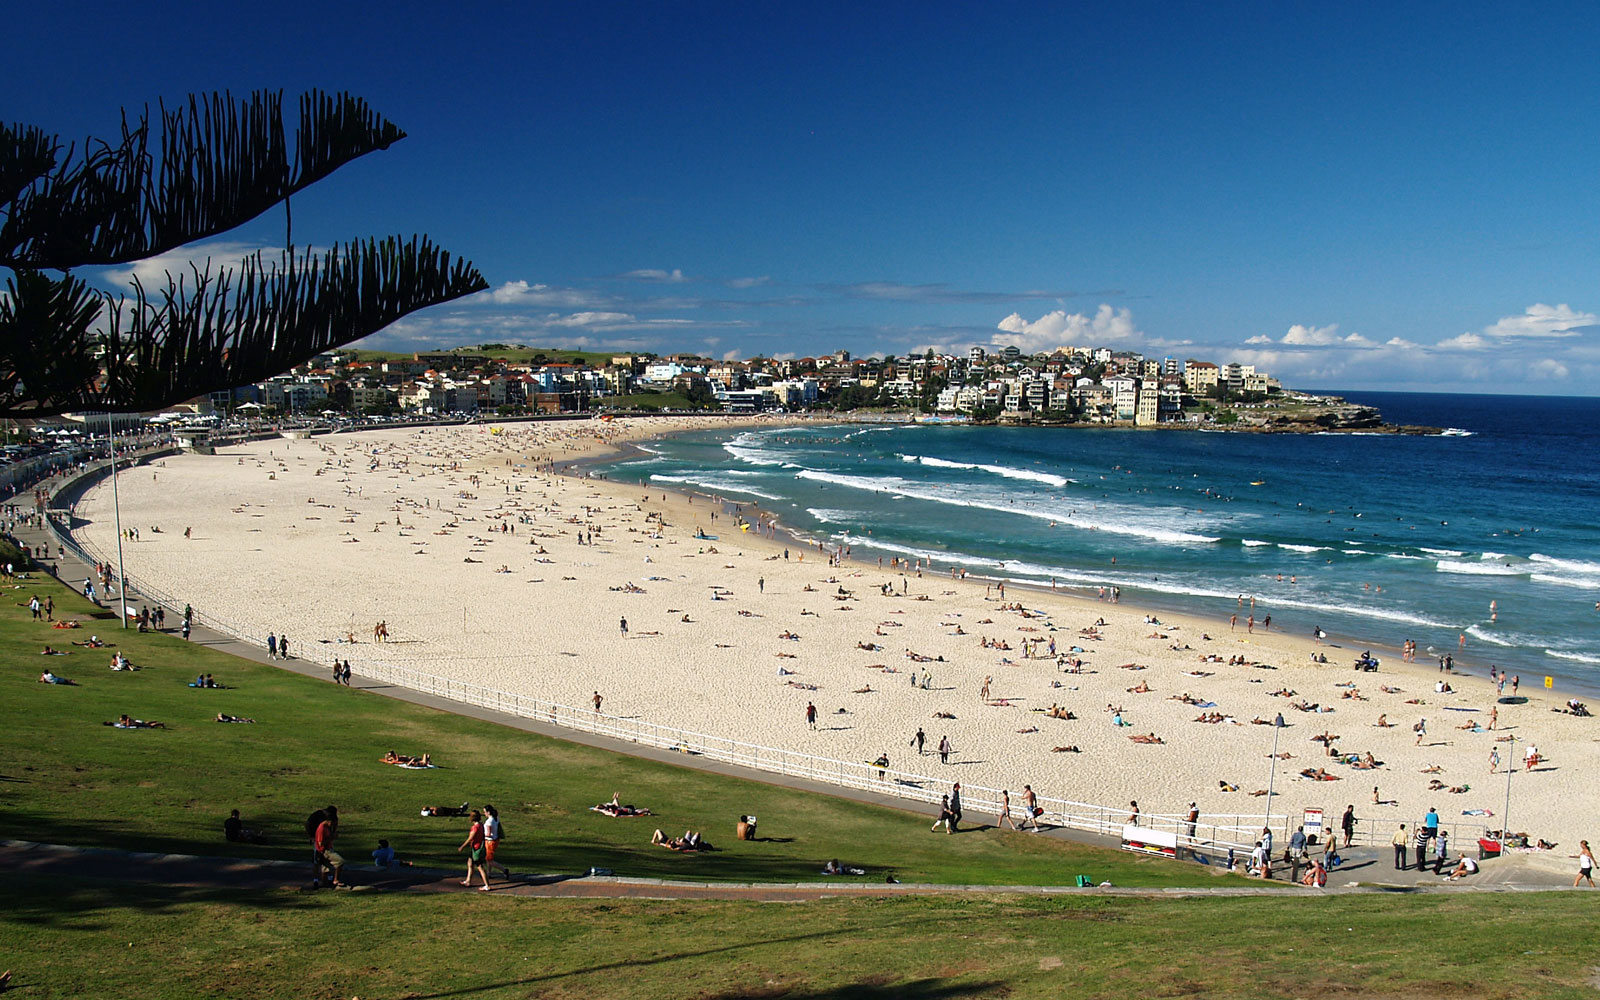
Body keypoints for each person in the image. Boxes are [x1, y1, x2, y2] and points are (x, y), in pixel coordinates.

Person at [310, 805, 345, 888]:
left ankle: (325, 884)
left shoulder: (326, 827)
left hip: (327, 848)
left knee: (326, 869)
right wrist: (332, 837)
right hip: (325, 850)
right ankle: (335, 880)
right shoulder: (322, 828)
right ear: (329, 821)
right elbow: (320, 843)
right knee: (340, 861)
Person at [458, 809, 491, 890]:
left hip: (476, 849)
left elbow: (470, 838)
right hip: (477, 848)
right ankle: (468, 880)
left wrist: (462, 846)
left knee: (480, 867)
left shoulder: (475, 828)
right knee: (470, 863)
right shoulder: (481, 825)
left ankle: (487, 885)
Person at [482, 804, 512, 880]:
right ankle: (489, 873)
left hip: (490, 841)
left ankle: (504, 870)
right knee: (489, 858)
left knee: (489, 860)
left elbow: (488, 834)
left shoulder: (489, 822)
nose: (484, 813)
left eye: (485, 812)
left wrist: (481, 834)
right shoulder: (496, 818)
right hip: (495, 840)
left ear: (488, 812)